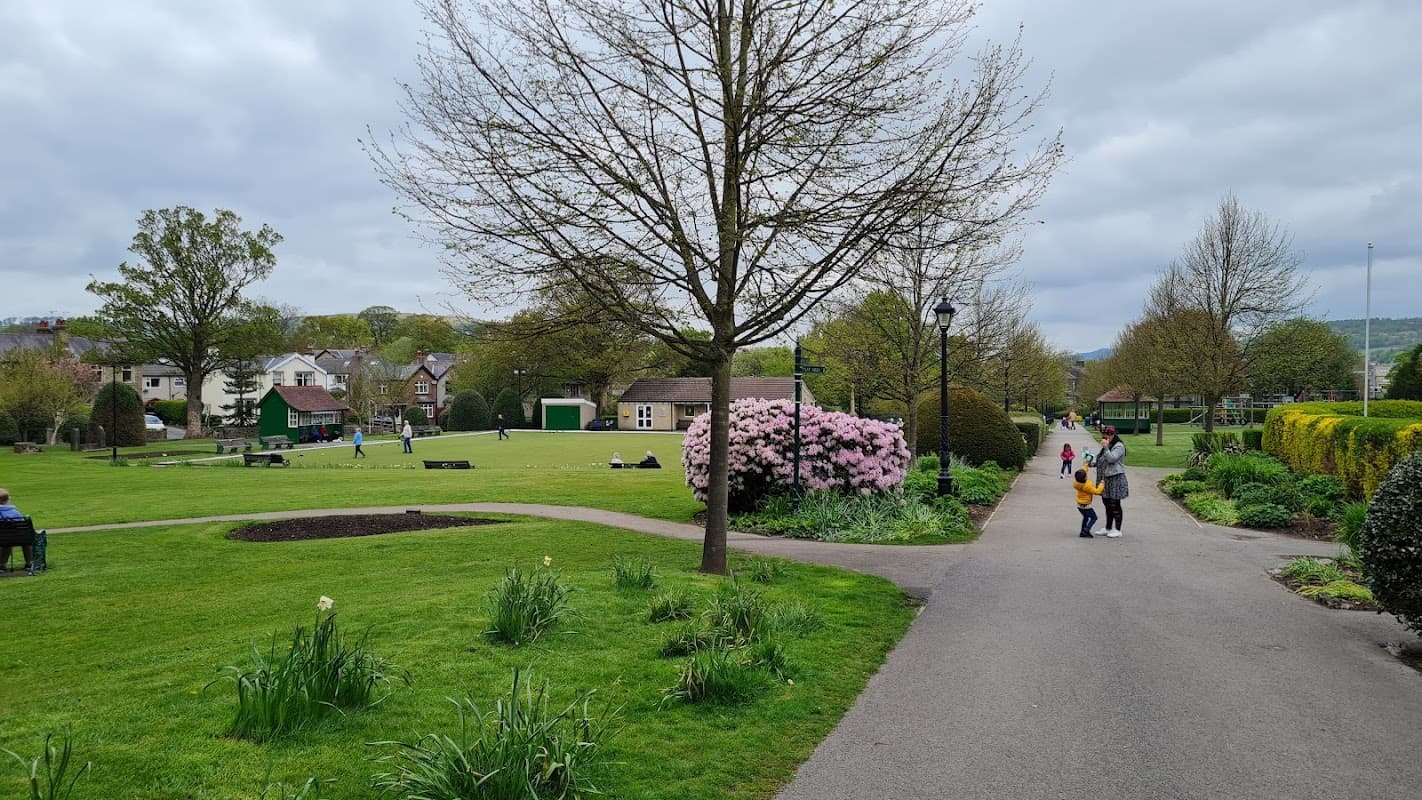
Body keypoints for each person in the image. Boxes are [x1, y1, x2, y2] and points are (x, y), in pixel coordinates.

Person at [1095, 425, 1129, 538]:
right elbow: (1103, 459)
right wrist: (1093, 463)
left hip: (1116, 479)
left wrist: (1105, 448)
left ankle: (1118, 529)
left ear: (1112, 435)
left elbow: (1111, 459)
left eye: (1106, 436)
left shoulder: (1119, 446)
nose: (1104, 438)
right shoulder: (1109, 444)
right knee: (1107, 505)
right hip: (1106, 479)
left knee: (1115, 505)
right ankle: (1108, 527)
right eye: (1103, 436)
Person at [0, 488, 34, 574]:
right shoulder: (15, 512)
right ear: (8, 500)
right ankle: (29, 563)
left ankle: (2, 565)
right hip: (20, 538)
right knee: (26, 542)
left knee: (6, 542)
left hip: (3, 539)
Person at [1072, 468, 1103, 538]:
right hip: (1086, 505)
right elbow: (1097, 491)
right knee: (1094, 518)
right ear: (1085, 477)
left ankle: (1082, 531)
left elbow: (1082, 471)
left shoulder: (1076, 483)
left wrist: (1086, 465)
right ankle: (1086, 530)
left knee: (1085, 517)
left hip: (1079, 505)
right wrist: (1102, 484)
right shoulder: (1087, 486)